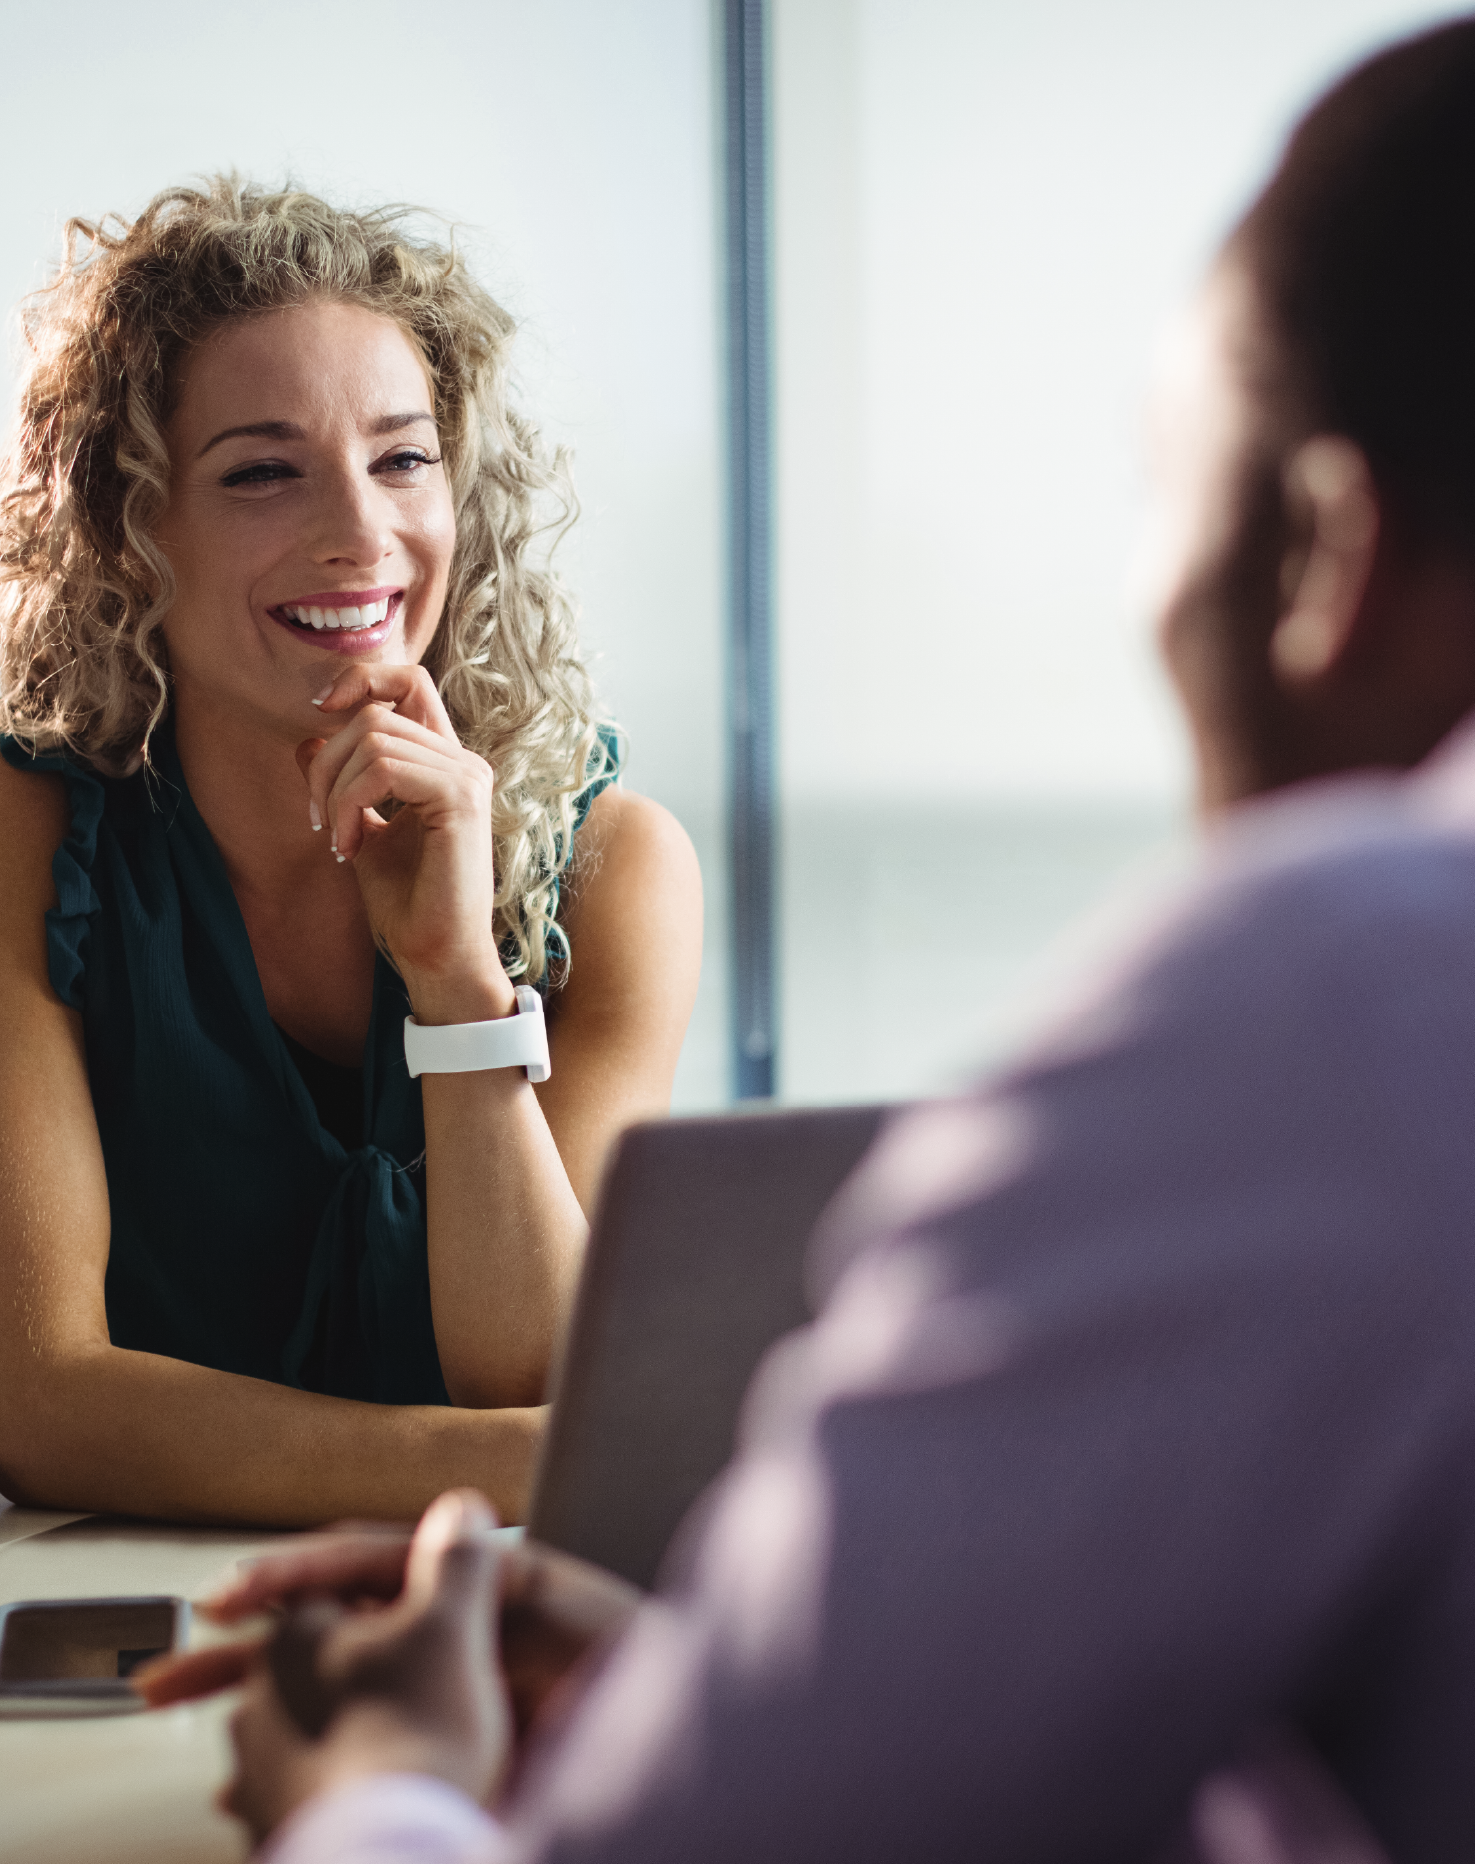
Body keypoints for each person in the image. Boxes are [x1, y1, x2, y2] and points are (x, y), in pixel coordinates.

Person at [137, 15, 1475, 1862]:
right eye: (263, 468)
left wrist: (376, 1789)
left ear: (1324, 549)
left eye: (1158, 479)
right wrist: (735, 1670)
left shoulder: (1339, 977)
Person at [0, 180, 703, 1528]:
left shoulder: (614, 870)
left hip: (483, 1615)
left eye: (401, 458)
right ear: (135, 533)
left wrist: (454, 985)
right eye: (263, 470)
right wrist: (512, 1470)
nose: (360, 534)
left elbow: (546, 1366)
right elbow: (42, 1397)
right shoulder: (28, 840)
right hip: (111, 1615)